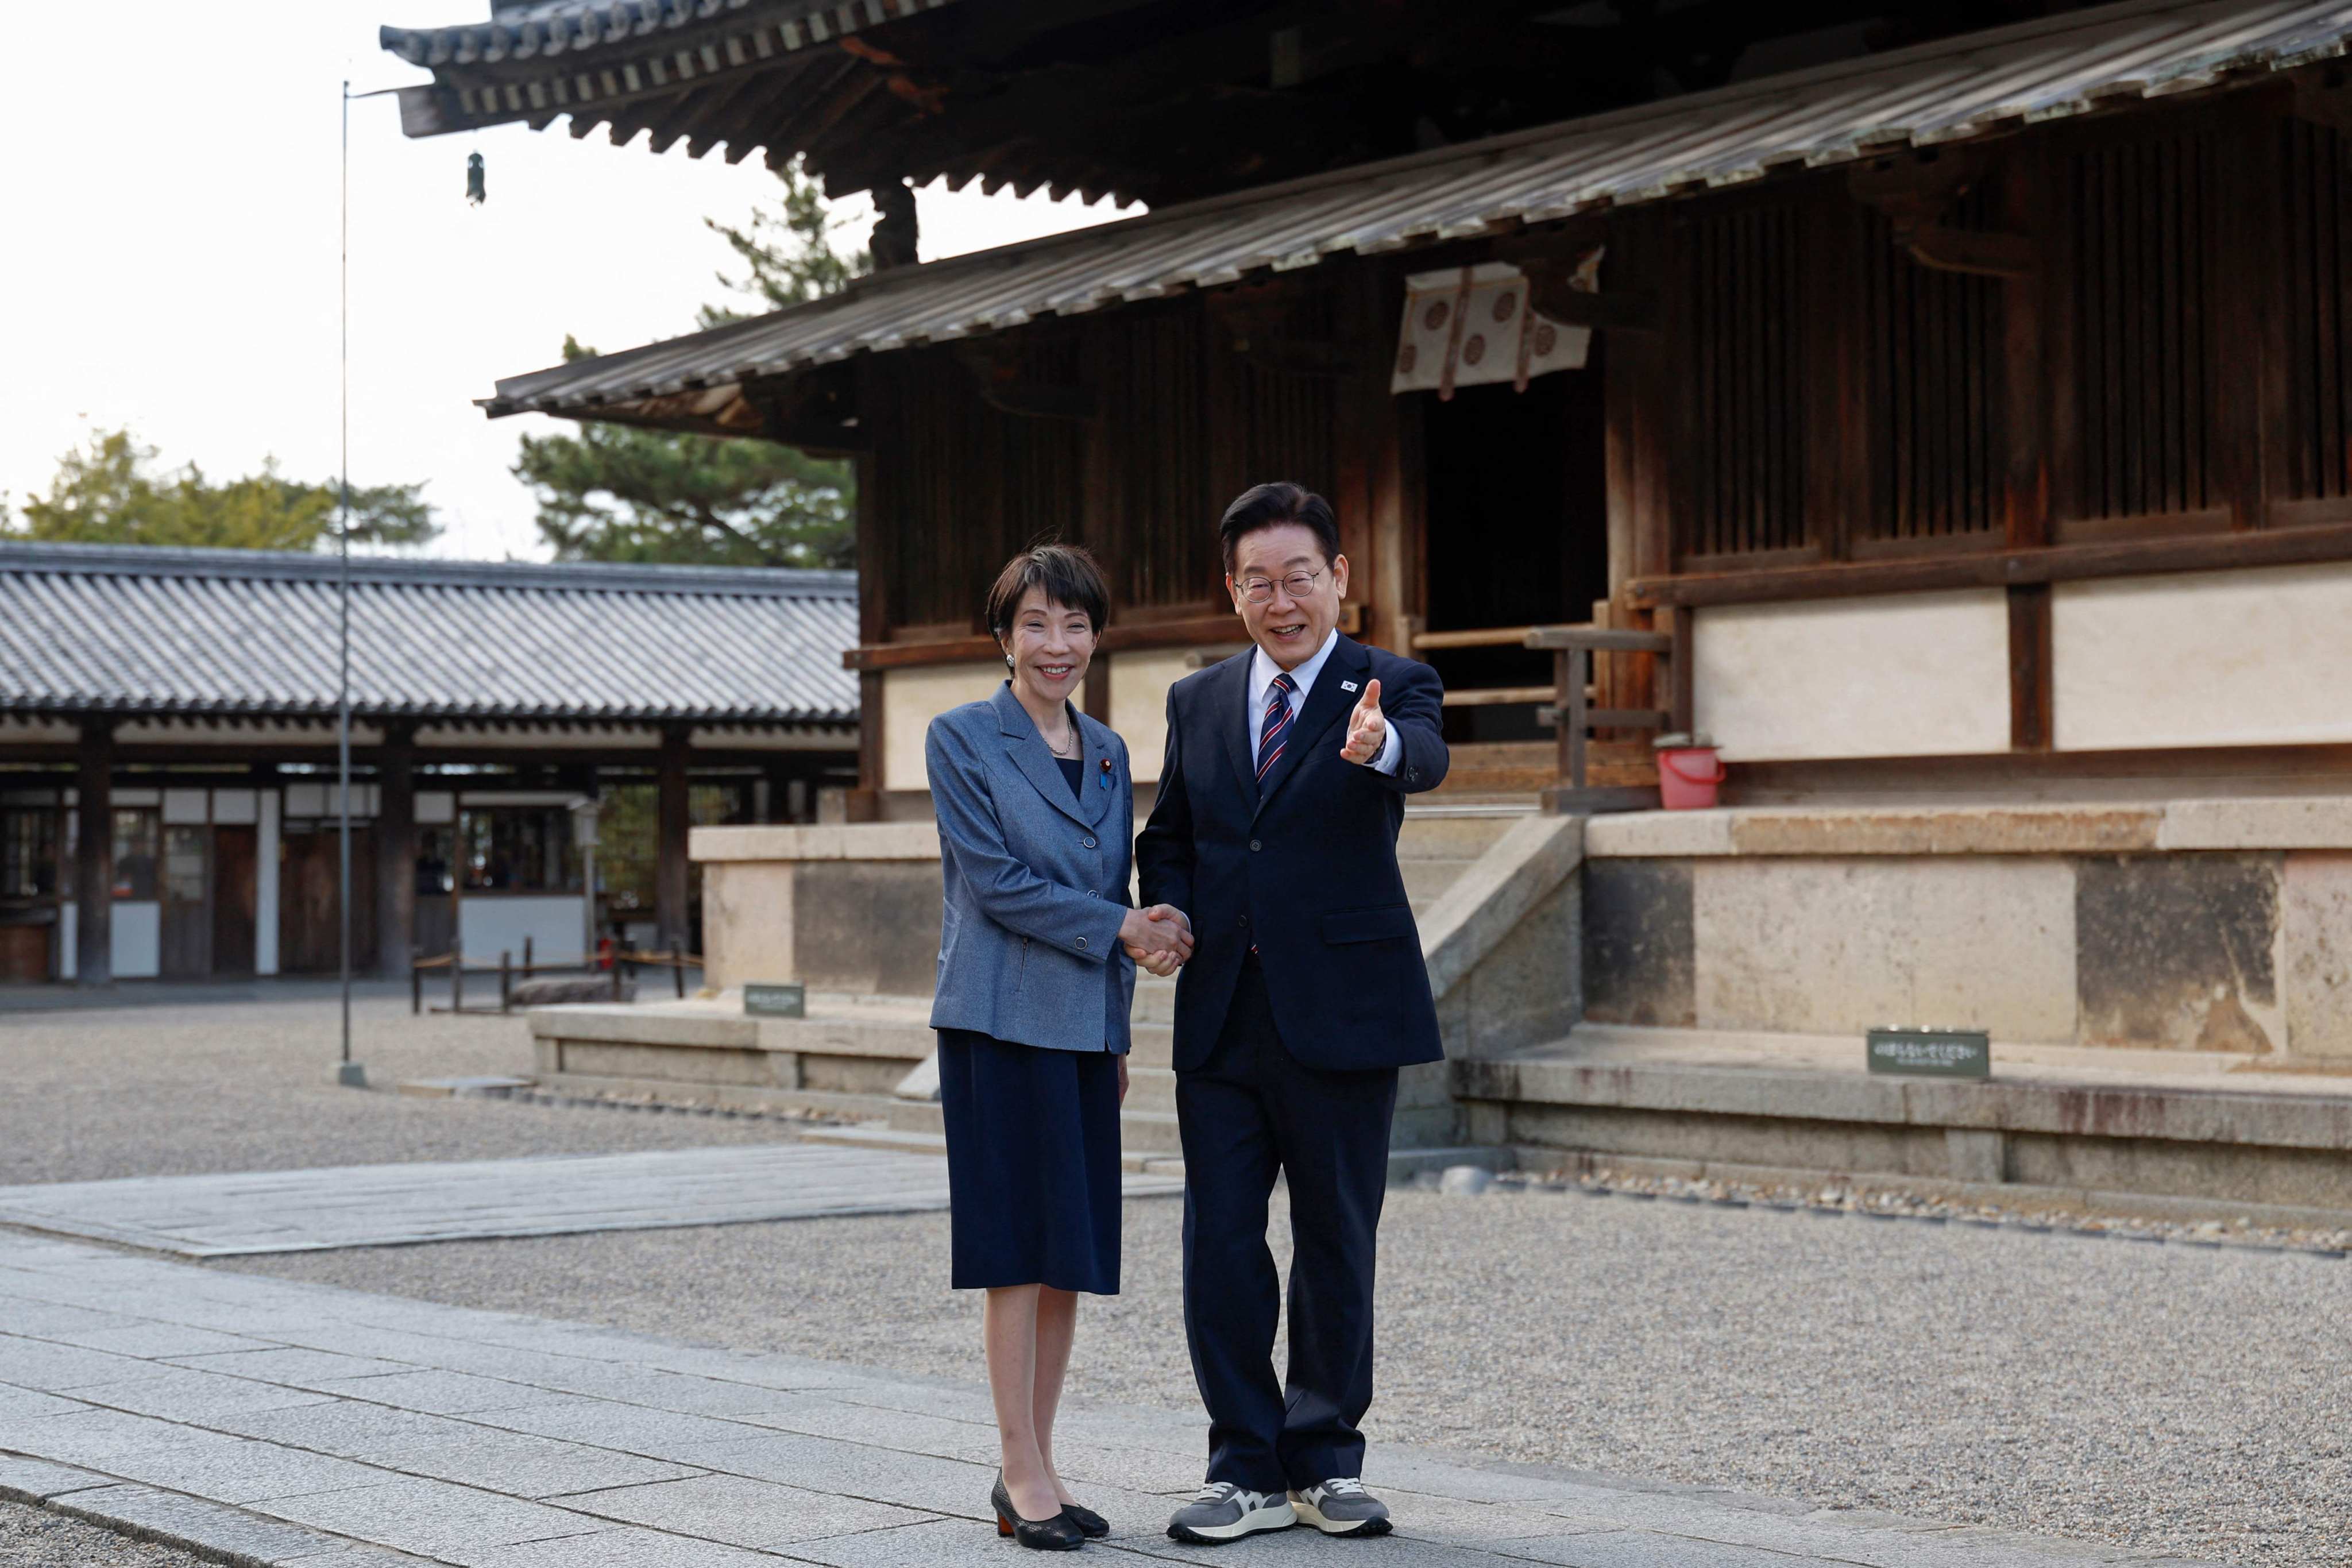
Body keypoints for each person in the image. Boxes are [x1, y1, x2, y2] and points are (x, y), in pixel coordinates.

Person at [1136, 481, 1448, 1545]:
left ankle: (1325, 1460)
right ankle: (1242, 1467)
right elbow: (1172, 829)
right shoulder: (1199, 699)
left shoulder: (1391, 683)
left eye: (1300, 577)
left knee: (1334, 1239)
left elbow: (1430, 759)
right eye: (1259, 582)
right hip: (1224, 1012)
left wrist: (1379, 752)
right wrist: (1164, 905)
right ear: (1233, 592)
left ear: (1339, 578)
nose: (1282, 600)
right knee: (1219, 1240)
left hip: (1346, 1012)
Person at [925, 542, 1196, 1552]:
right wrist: (1124, 930)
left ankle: (1036, 1463)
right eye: (1036, 624)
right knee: (1016, 1252)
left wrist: (1120, 1015)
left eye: (1076, 625)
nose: (1058, 644)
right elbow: (995, 883)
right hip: (997, 1020)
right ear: (1004, 635)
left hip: (1084, 1028)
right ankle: (1019, 1467)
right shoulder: (960, 737)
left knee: (1069, 1258)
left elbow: (1114, 884)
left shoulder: (1114, 749)